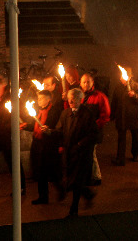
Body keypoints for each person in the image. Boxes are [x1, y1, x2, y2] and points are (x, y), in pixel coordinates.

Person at [50, 88, 98, 216]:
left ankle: (74, 208)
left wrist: (79, 144)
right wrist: (50, 131)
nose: (71, 101)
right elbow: (60, 130)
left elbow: (93, 134)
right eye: (70, 98)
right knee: (71, 178)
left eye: (74, 98)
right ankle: (88, 194)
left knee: (77, 180)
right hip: (68, 152)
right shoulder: (65, 114)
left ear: (80, 100)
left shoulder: (87, 114)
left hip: (81, 154)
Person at [26, 90, 64, 205]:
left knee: (50, 171)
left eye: (41, 99)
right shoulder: (40, 111)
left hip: (48, 145)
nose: (39, 101)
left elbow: (56, 128)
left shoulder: (54, 111)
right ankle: (43, 196)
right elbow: (36, 125)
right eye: (38, 99)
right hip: (38, 143)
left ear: (48, 99)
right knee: (41, 171)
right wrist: (25, 126)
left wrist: (49, 130)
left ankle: (61, 190)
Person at [80, 73, 110, 185]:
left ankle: (96, 177)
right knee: (87, 153)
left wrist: (94, 126)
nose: (86, 84)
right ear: (80, 83)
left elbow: (105, 115)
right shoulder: (80, 96)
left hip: (93, 131)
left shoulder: (100, 96)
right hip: (83, 131)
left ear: (93, 83)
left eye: (88, 81)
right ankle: (89, 175)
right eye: (84, 82)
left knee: (91, 153)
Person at [110, 67, 138, 165]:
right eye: (120, 75)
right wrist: (112, 115)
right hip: (122, 117)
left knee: (135, 138)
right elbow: (114, 102)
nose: (121, 78)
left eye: (123, 75)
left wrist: (135, 95)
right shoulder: (118, 87)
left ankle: (135, 155)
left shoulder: (137, 86)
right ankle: (120, 158)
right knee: (121, 138)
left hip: (134, 117)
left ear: (129, 77)